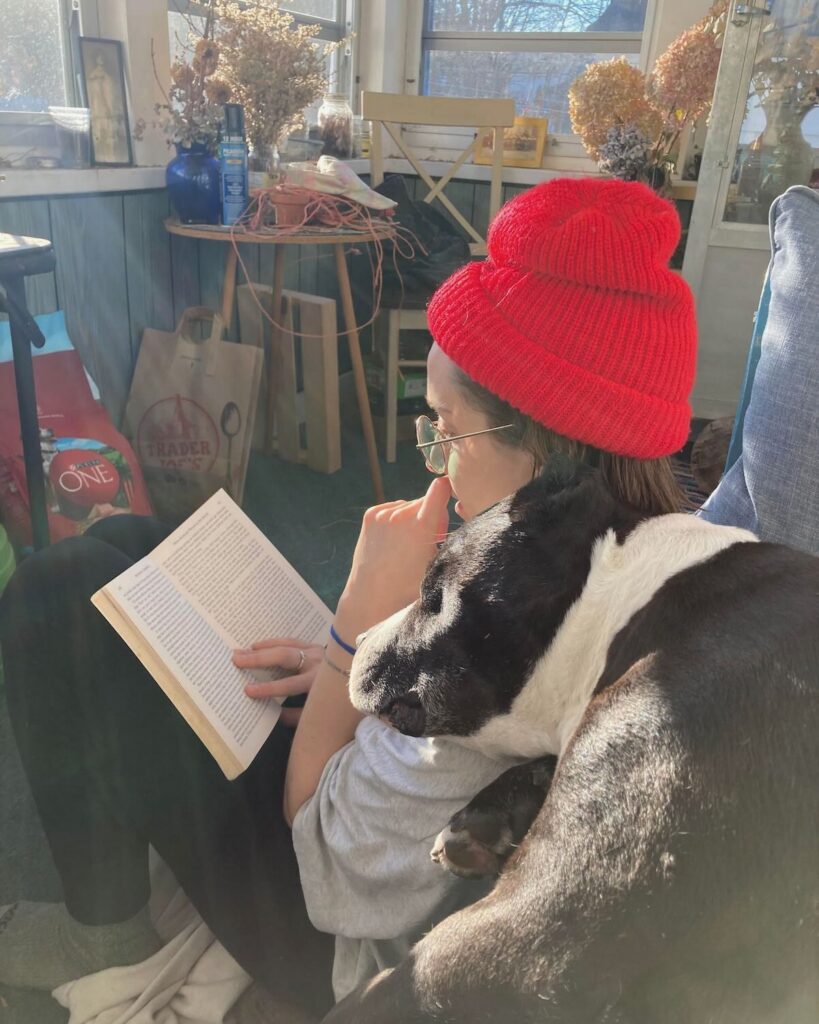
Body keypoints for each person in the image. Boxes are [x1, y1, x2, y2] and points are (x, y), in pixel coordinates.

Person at [0, 178, 697, 1016]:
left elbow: (316, 839)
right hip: (387, 810)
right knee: (129, 553)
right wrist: (377, 657)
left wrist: (352, 630)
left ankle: (102, 936)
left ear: (543, 448)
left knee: (58, 589)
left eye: (446, 426)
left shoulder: (502, 637)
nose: (433, 453)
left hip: (328, 934)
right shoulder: (637, 546)